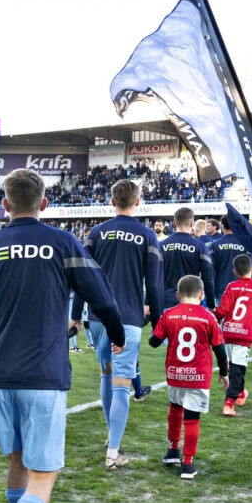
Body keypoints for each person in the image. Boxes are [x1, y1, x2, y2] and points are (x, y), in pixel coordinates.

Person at [0, 168, 125, 503]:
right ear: (45, 204)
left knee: (17, 460)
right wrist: (117, 332)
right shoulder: (62, 242)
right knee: (44, 473)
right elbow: (103, 297)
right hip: (43, 376)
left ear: (4, 205)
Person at [71, 178, 162, 469]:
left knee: (106, 375)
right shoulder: (148, 235)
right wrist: (159, 322)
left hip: (98, 317)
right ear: (138, 201)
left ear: (112, 201)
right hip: (129, 319)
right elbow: (154, 285)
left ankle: (112, 434)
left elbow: (81, 278)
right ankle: (112, 453)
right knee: (122, 384)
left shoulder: (97, 233)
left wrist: (76, 315)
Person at [149, 275, 228, 479]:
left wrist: (155, 322)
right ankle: (187, 462)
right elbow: (219, 349)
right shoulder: (209, 317)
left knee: (175, 409)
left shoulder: (169, 314)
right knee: (192, 417)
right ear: (202, 295)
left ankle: (172, 450)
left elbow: (154, 342)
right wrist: (224, 373)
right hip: (198, 375)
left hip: (175, 373)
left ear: (177, 295)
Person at [213, 255, 252, 417]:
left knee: (235, 366)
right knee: (237, 369)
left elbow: (222, 310)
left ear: (235, 272)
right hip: (244, 335)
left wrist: (214, 316)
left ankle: (241, 393)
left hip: (229, 332)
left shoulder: (231, 286)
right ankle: (229, 404)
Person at [159, 207, 216, 309]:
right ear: (191, 224)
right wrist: (211, 305)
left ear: (174, 223)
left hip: (165, 302)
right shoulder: (200, 247)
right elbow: (208, 279)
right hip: (191, 302)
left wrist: (148, 302)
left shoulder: (161, 245)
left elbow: (153, 276)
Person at [209, 219, 248, 301]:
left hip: (221, 289)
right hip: (242, 290)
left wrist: (211, 291)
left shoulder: (214, 245)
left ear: (223, 227)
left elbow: (211, 270)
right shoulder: (245, 244)